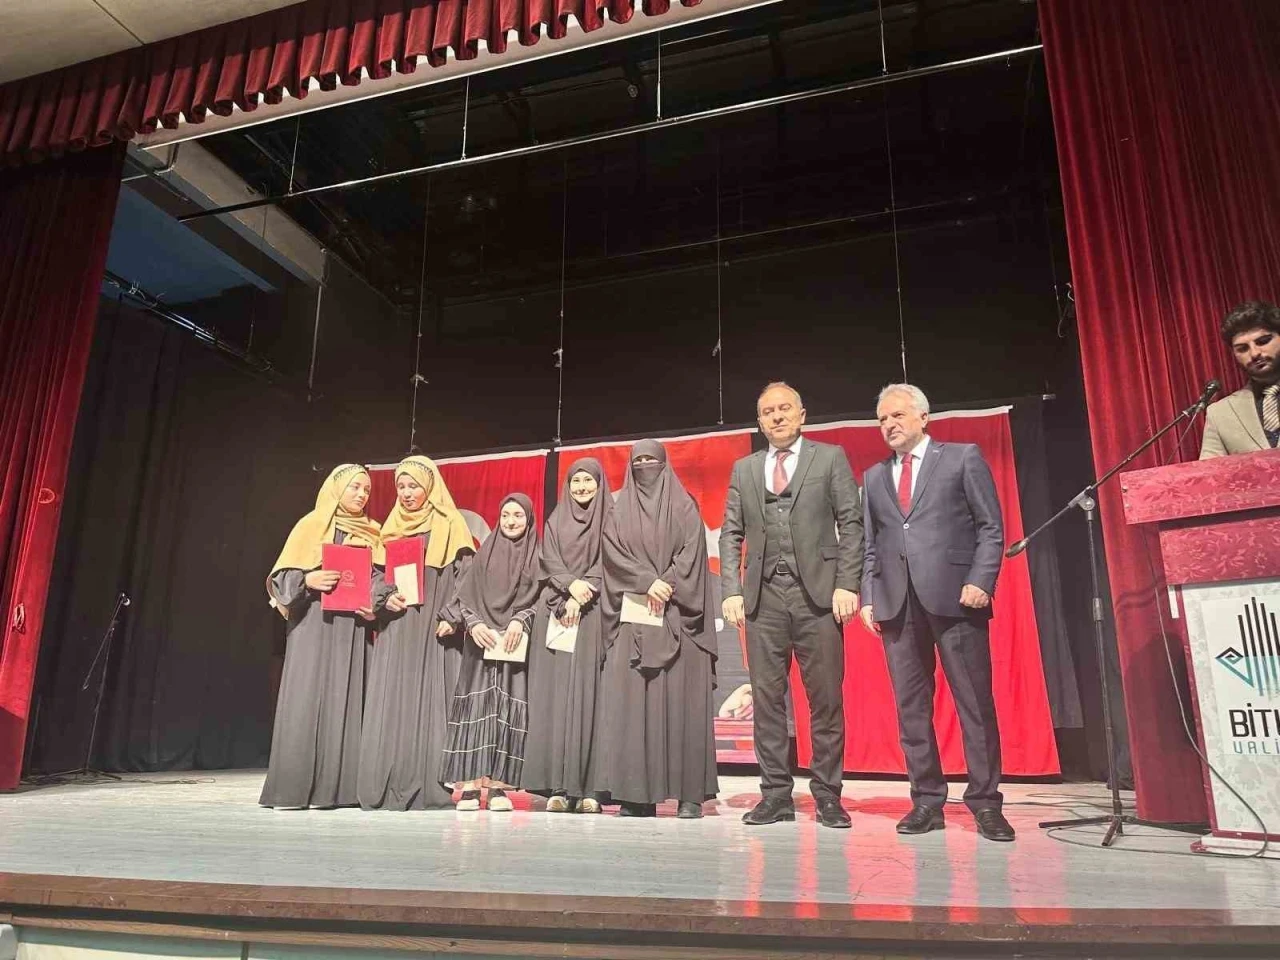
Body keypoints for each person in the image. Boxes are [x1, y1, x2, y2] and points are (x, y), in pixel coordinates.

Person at [858, 384, 1014, 842]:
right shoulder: (873, 477)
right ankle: (927, 800)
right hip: (897, 604)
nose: (889, 425)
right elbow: (871, 544)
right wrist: (869, 594)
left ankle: (986, 802)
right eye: (882, 419)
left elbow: (990, 527)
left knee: (974, 704)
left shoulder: (962, 458)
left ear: (923, 417)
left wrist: (981, 580)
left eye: (897, 415)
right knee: (911, 708)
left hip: (957, 598)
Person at [719, 382, 863, 829]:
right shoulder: (745, 469)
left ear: (802, 415)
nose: (777, 416)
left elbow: (851, 523)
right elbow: (730, 533)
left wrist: (847, 583)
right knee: (766, 700)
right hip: (763, 600)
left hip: (817, 597)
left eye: (785, 409)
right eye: (768, 411)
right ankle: (776, 794)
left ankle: (828, 795)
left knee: (825, 700)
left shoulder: (830, 458)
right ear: (759, 421)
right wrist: (731, 589)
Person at [594, 440, 718, 819]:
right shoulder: (617, 512)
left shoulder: (685, 507)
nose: (645, 466)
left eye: (651, 460)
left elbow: (692, 553)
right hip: (635, 617)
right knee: (635, 709)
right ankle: (637, 795)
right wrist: (647, 581)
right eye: (638, 461)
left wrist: (667, 583)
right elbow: (613, 557)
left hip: (681, 616)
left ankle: (690, 795)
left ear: (665, 464)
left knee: (685, 707)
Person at [260, 464, 381, 810]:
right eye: (355, 487)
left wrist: (376, 604)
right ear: (336, 488)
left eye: (366, 490)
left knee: (348, 698)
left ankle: (340, 792)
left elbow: (380, 578)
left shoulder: (374, 531)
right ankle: (293, 790)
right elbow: (283, 579)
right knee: (306, 699)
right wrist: (309, 580)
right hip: (313, 624)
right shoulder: (311, 525)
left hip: (354, 629)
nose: (361, 495)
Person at [357, 456, 475, 811]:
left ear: (430, 487)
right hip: (398, 623)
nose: (407, 493)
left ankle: (432, 783)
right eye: (401, 487)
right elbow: (374, 574)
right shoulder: (392, 526)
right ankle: (390, 780)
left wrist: (453, 615)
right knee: (395, 696)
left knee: (434, 697)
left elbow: (468, 576)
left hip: (436, 626)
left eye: (414, 486)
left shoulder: (450, 523)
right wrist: (384, 596)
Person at [440, 493, 540, 811]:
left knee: (507, 711)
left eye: (518, 516)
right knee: (476, 709)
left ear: (529, 520)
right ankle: (470, 787)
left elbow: (541, 598)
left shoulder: (537, 557)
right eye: (506, 515)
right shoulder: (483, 554)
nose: (511, 521)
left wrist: (521, 620)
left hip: (514, 646)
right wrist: (474, 624)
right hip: (480, 645)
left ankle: (498, 788)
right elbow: (465, 596)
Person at [523, 459, 612, 813]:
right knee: (558, 698)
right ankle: (558, 786)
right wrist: (569, 587)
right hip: (557, 608)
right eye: (576, 481)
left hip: (594, 612)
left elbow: (613, 560)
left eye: (589, 481)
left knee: (591, 697)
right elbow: (548, 560)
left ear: (600, 484)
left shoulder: (611, 519)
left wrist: (583, 590)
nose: (582, 487)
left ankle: (592, 789)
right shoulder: (556, 520)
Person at [1200, 301, 1280, 457]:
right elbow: (1210, 470)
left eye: (1263, 341)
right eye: (1242, 348)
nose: (1255, 353)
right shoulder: (1220, 413)